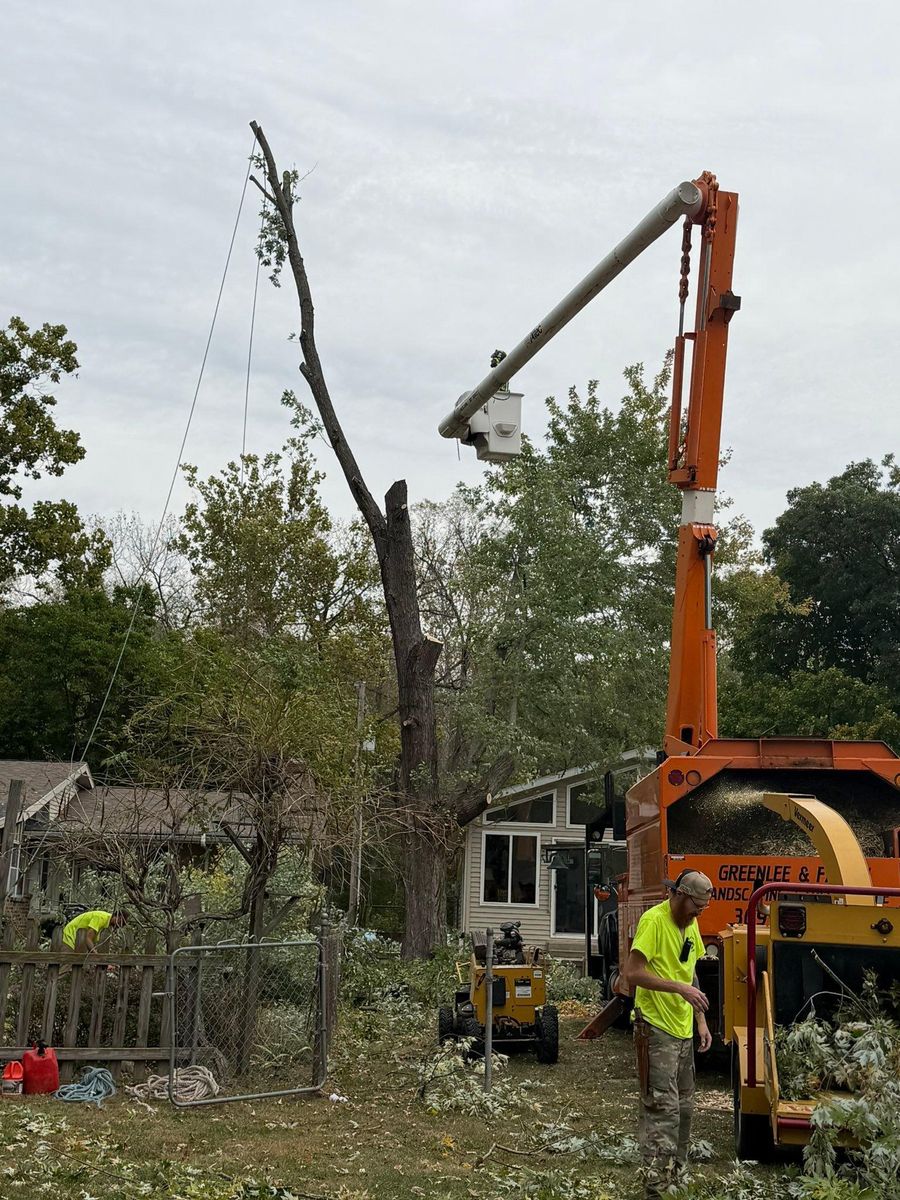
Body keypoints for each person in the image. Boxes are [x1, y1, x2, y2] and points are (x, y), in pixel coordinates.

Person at [624, 870, 714, 1199]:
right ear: (679, 894)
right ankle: (656, 1190)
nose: (698, 914)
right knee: (663, 1112)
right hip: (655, 1028)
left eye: (702, 909)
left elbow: (690, 972)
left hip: (682, 1028)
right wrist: (678, 989)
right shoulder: (654, 921)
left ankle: (677, 1181)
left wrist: (700, 1020)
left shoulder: (690, 923)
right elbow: (631, 973)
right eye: (695, 907)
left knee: (685, 1109)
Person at [62, 909, 127, 951]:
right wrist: (96, 956)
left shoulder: (105, 921)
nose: (118, 926)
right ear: (119, 918)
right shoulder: (101, 918)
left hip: (78, 940)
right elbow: (88, 939)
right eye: (120, 923)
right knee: (67, 964)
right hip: (70, 935)